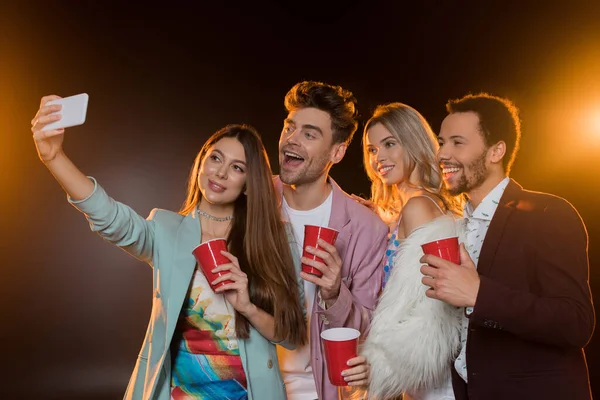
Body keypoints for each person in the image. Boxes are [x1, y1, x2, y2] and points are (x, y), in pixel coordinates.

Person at [30, 95, 308, 400]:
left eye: (237, 167)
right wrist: (53, 157)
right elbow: (110, 217)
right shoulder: (166, 229)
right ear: (202, 161)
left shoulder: (276, 240)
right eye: (215, 158)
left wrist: (247, 307)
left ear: (249, 183)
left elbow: (291, 336)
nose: (221, 173)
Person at [420, 93, 595, 399]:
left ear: (496, 151)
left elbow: (576, 322)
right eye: (442, 142)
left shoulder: (548, 212)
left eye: (457, 143)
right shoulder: (454, 228)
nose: (442, 154)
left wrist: (479, 294)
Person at [273, 81, 389, 400]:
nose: (291, 140)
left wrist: (335, 292)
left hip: (315, 391)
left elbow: (367, 326)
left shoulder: (367, 228)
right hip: (244, 386)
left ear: (337, 152)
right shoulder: (251, 200)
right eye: (289, 127)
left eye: (309, 134)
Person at [355, 103, 463, 400]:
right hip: (418, 381)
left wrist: (377, 369)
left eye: (390, 144)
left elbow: (432, 311)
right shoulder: (418, 205)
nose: (379, 158)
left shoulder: (418, 207)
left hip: (432, 381)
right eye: (372, 150)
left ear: (413, 143)